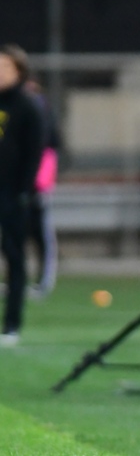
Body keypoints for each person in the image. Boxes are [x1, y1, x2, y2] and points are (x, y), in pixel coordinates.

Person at [0, 44, 45, 346]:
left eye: (4, 67)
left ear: (19, 71)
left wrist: (24, 191)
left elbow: (34, 152)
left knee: (14, 257)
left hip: (11, 193)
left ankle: (11, 325)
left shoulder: (28, 105)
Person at [24, 78, 61, 299]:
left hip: (37, 185)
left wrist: (41, 183)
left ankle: (44, 281)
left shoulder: (41, 112)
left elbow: (49, 148)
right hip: (18, 184)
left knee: (41, 232)